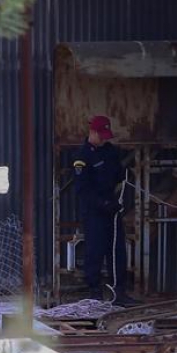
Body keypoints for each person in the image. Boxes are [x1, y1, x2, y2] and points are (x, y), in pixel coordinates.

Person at [73, 116, 140, 306]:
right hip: (94, 211)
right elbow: (82, 190)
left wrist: (118, 199)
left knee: (117, 250)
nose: (104, 140)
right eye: (101, 136)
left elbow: (119, 176)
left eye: (106, 136)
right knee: (95, 251)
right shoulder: (82, 156)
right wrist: (103, 204)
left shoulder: (110, 151)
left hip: (113, 209)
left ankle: (119, 291)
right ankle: (95, 292)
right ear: (92, 133)